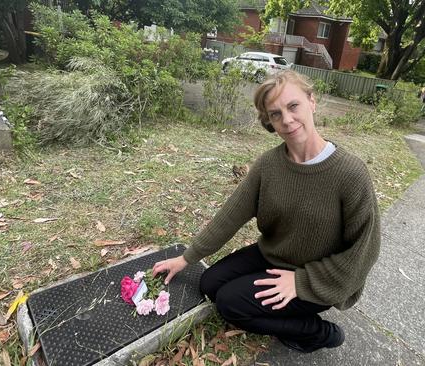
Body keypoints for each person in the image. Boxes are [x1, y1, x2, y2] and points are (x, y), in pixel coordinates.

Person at [152, 70, 381, 353]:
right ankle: (286, 308)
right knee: (210, 283)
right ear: (269, 121)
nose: (286, 119)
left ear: (312, 101)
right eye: (275, 114)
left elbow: (365, 251)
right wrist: (186, 258)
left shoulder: (350, 173)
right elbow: (230, 216)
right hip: (273, 255)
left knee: (230, 304)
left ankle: (318, 332)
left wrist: (301, 282)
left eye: (293, 106)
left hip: (315, 276)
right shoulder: (269, 165)